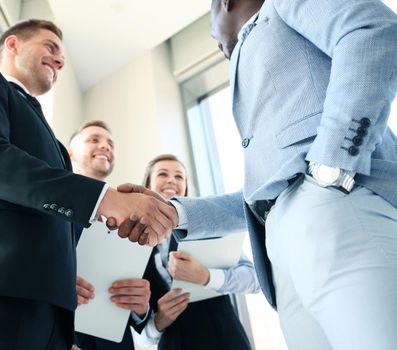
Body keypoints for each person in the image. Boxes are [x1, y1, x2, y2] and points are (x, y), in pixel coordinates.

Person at [115, 1, 397, 349]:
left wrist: (332, 167)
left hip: (339, 207)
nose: (216, 43)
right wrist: (176, 212)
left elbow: (369, 30)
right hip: (282, 253)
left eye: (210, 28)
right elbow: (259, 193)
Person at [0, 19, 176, 349]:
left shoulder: (56, 146)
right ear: (13, 45)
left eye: (62, 56)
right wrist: (108, 200)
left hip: (47, 315)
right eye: (51, 47)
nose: (60, 60)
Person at [133, 154, 259, 349]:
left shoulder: (209, 227)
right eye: (162, 174)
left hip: (225, 338)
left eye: (179, 177)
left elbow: (254, 279)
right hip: (175, 343)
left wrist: (207, 277)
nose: (171, 180)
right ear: (147, 185)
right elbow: (137, 340)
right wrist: (159, 321)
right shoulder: (133, 245)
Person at [68, 120, 151, 350]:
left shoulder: (131, 222)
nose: (105, 146)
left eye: (110, 144)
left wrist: (141, 307)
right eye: (94, 140)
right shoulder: (48, 208)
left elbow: (143, 308)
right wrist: (55, 288)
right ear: (70, 152)